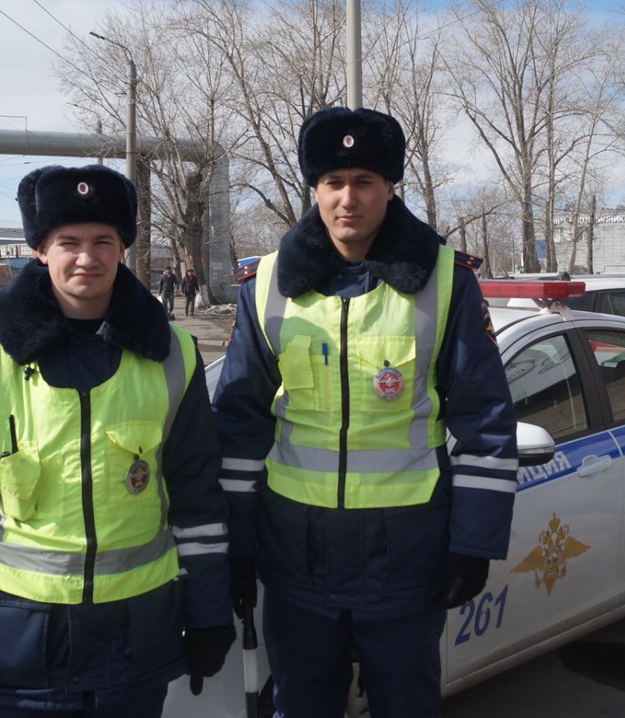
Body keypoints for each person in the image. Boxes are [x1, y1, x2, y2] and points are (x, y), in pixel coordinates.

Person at [0, 164, 235, 718]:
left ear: (122, 250)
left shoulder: (173, 356)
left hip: (135, 644)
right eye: (68, 241)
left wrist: (211, 614)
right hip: (13, 646)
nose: (86, 257)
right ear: (40, 250)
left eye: (103, 241)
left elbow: (197, 497)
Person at [211, 107, 518, 718]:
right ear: (314, 190)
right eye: (333, 182)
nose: (347, 198)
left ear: (390, 187)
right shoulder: (267, 286)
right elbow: (238, 429)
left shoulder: (444, 282)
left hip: (406, 562)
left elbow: (485, 424)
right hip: (296, 558)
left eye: (364, 182)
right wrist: (235, 547)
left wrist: (474, 544)